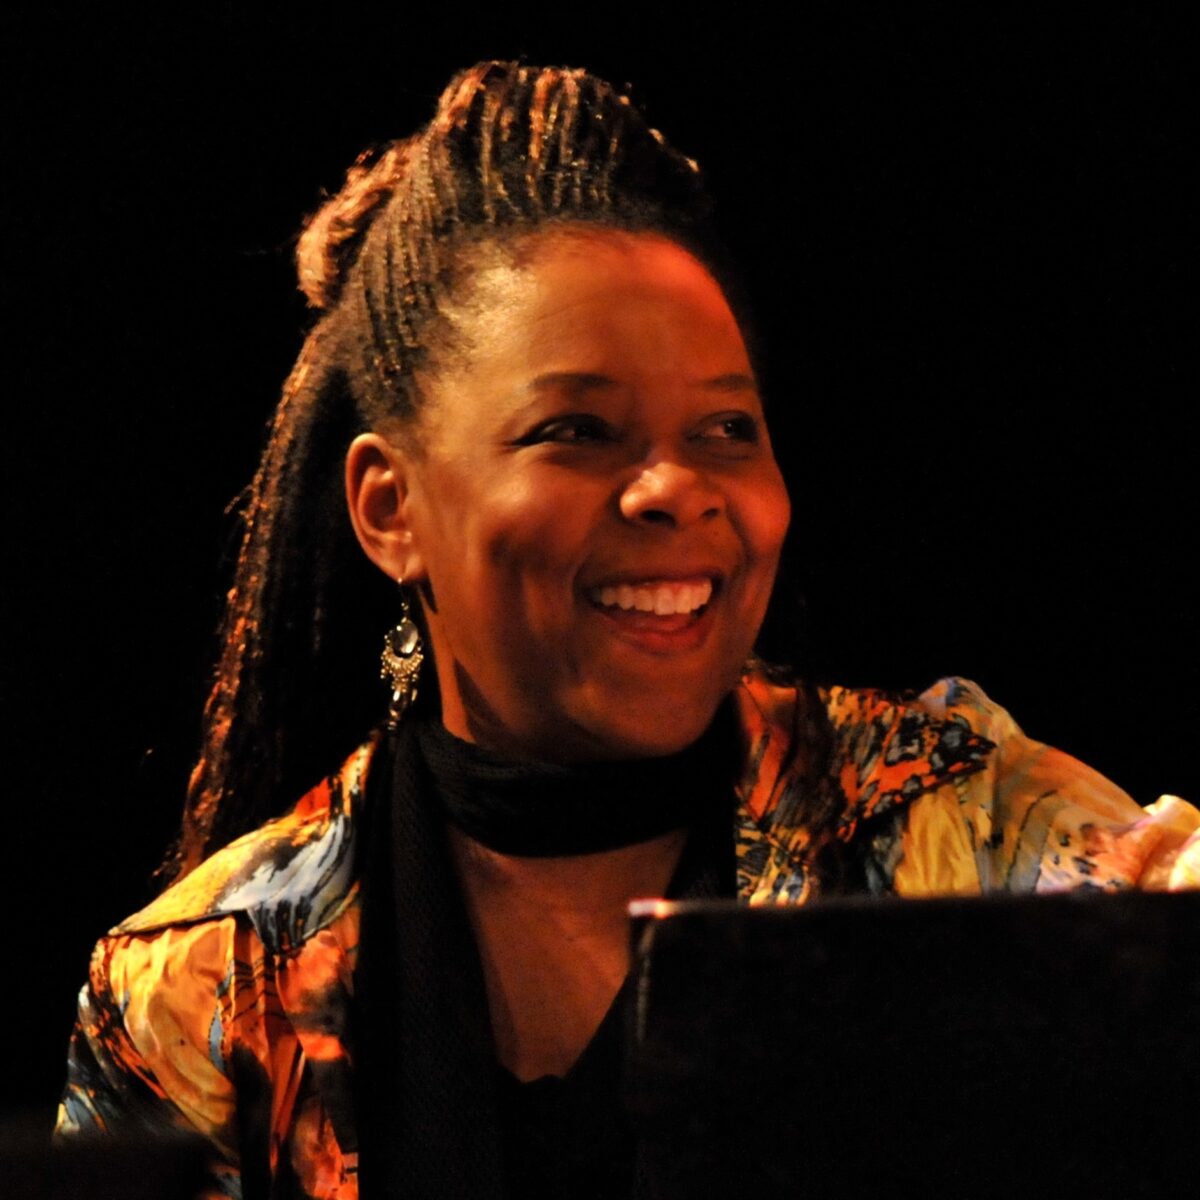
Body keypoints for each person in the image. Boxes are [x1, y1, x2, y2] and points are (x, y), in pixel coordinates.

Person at [55, 61, 1199, 1199]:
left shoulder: (969, 834)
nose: (676, 488)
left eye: (726, 428)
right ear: (389, 508)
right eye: (579, 428)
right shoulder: (203, 987)